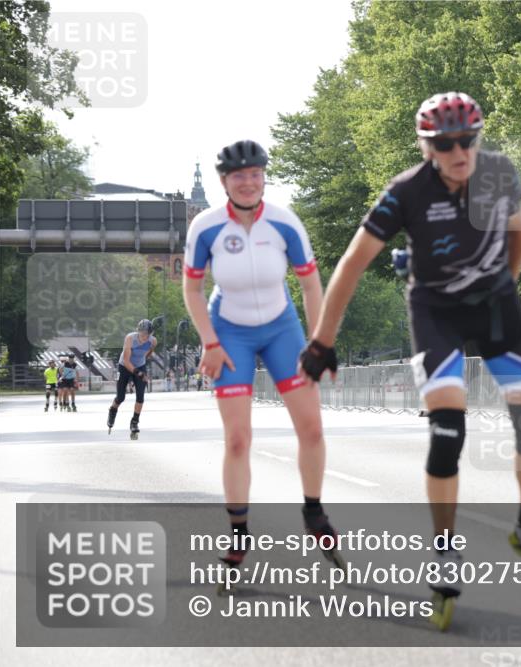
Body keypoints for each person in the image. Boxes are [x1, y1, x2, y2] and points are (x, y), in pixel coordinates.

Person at [298, 92, 521, 624]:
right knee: (448, 429)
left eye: (468, 140)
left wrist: (509, 283)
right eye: (445, 143)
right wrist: (322, 341)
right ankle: (446, 547)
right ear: (426, 146)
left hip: (495, 305)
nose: (459, 151)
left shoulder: (497, 173)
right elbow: (353, 263)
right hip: (436, 313)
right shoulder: (406, 191)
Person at [182, 139, 339, 570]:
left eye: (255, 175)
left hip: (280, 328)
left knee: (311, 429)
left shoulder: (285, 223)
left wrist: (319, 341)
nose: (248, 183)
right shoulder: (207, 227)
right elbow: (192, 289)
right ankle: (238, 534)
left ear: (263, 176)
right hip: (229, 331)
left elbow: (310, 285)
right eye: (238, 177)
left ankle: (313, 511)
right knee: (237, 439)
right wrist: (209, 341)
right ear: (223, 182)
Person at [108, 319, 157, 435]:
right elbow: (126, 361)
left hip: (140, 366)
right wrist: (138, 373)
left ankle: (134, 422)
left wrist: (143, 360)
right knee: (120, 397)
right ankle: (112, 411)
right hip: (124, 367)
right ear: (138, 331)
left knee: (140, 396)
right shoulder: (130, 339)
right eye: (142, 333)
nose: (144, 337)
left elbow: (149, 352)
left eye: (147, 334)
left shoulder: (153, 341)